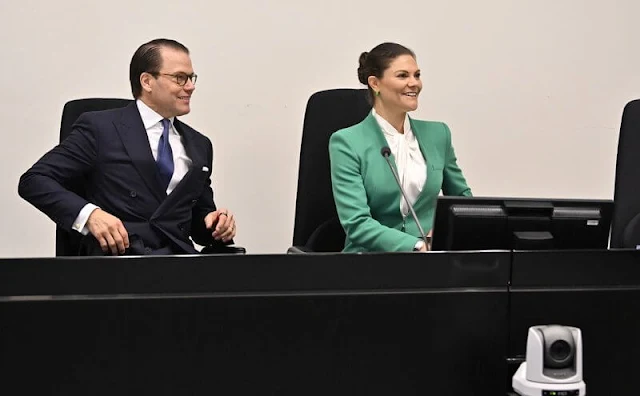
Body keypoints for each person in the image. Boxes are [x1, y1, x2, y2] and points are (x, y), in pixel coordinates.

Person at [18, 38, 237, 255]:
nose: (190, 86)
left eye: (191, 78)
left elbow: (198, 223)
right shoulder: (101, 128)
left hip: (179, 263)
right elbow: (34, 180)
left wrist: (215, 224)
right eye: (180, 78)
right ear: (147, 81)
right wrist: (90, 215)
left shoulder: (200, 145)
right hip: (119, 263)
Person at [329, 42, 472, 253]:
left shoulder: (438, 134)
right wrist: (416, 246)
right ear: (375, 83)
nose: (414, 83)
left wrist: (444, 232)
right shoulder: (346, 142)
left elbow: (463, 202)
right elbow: (357, 224)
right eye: (403, 76)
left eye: (417, 75)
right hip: (370, 261)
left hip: (432, 259)